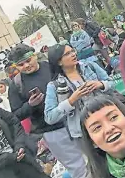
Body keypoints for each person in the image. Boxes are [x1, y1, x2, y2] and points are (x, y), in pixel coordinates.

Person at [7, 44, 89, 178]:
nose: (26, 66)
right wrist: (30, 105)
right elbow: (15, 115)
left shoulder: (50, 67)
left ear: (34, 56)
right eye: (21, 65)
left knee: (95, 156)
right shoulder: (16, 85)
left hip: (76, 119)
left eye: (28, 61)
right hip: (52, 131)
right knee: (78, 168)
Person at [44, 44, 116, 141]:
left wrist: (101, 84)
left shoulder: (90, 66)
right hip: (84, 132)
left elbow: (113, 83)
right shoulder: (54, 86)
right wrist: (71, 100)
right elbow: (49, 117)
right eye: (67, 54)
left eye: (72, 51)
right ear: (59, 61)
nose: (73, 54)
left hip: (109, 118)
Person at [0, 105, 49, 178]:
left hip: (23, 159)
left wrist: (19, 144)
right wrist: (11, 157)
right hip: (2, 172)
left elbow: (14, 122)